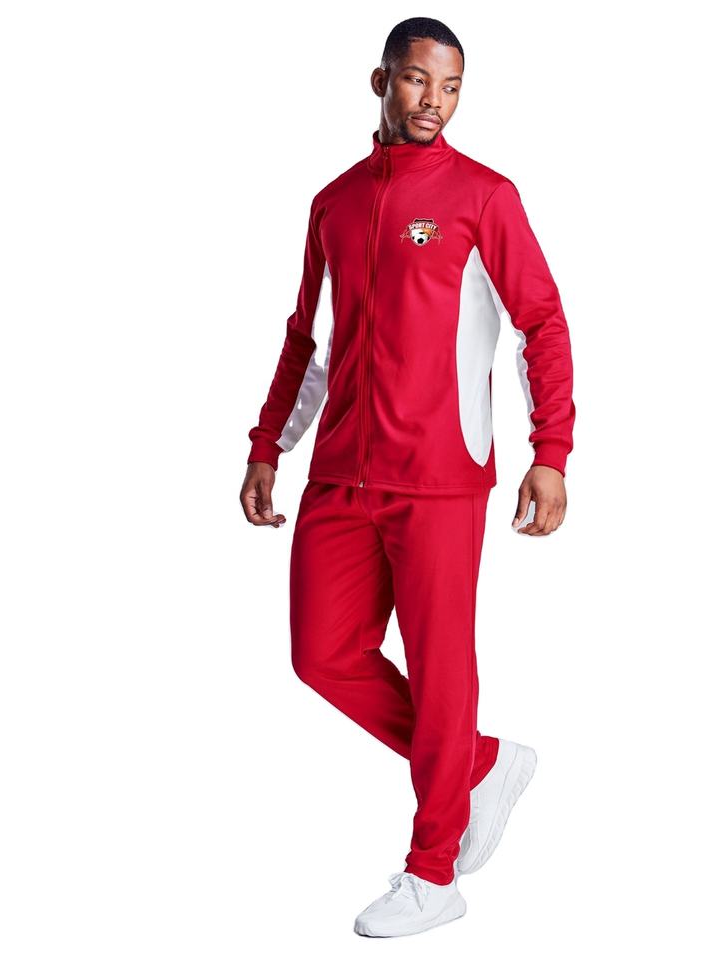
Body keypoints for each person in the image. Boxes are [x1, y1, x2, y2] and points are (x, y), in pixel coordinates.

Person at [239, 17, 575, 937]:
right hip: (341, 473)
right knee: (321, 654)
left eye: (452, 86)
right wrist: (270, 445)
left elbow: (542, 323)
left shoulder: (483, 197)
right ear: (381, 80)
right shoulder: (334, 203)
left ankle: (434, 874)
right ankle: (477, 763)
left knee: (441, 665)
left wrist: (550, 452)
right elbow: (309, 338)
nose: (435, 102)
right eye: (420, 80)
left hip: (440, 474)